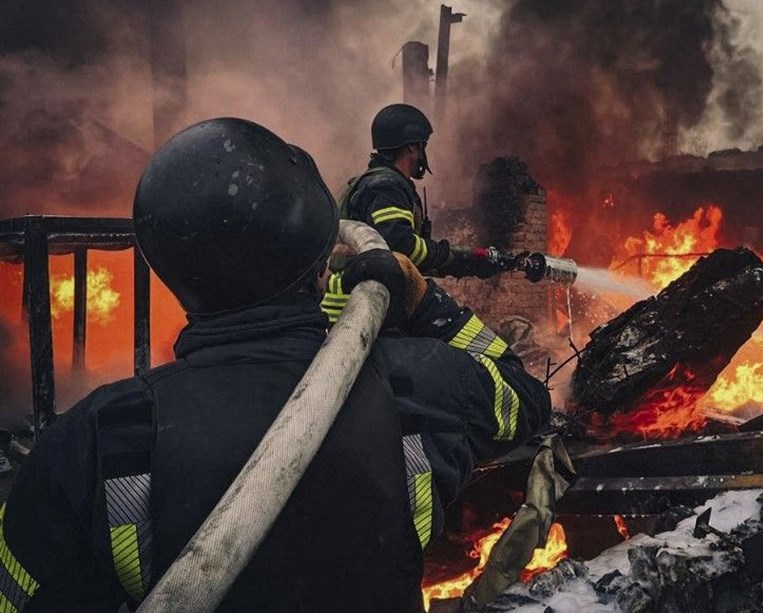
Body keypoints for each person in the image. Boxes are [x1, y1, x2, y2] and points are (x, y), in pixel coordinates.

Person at [0, 117, 550, 612]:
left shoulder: (90, 445)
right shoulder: (420, 383)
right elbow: (525, 399)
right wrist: (424, 300)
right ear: (317, 263)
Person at [333, 103, 500, 278]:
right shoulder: (386, 187)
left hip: (371, 293)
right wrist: (450, 256)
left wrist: (469, 263)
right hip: (365, 299)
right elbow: (400, 247)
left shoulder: (378, 183)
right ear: (412, 146)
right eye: (422, 146)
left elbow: (408, 260)